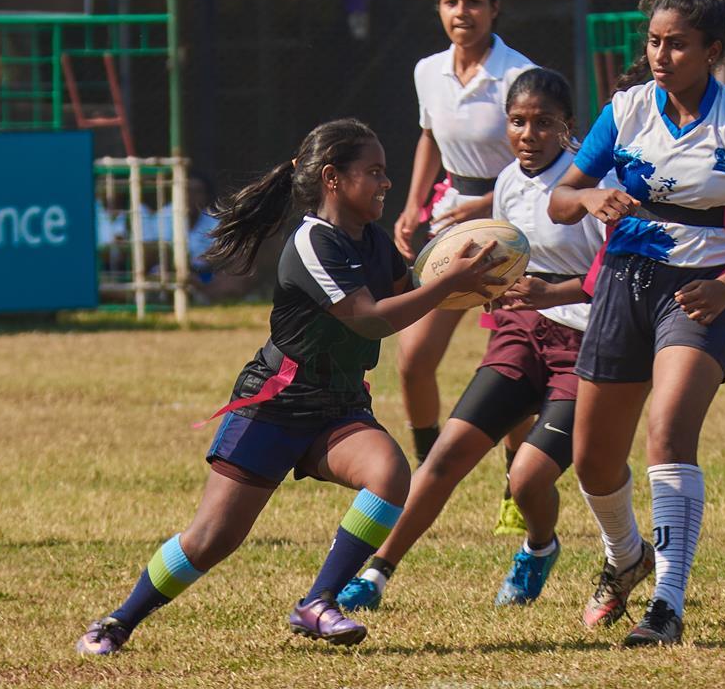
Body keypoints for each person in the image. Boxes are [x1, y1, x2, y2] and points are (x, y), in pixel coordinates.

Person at [74, 119, 501, 656]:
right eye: (373, 172)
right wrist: (446, 285)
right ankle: (117, 622)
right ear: (332, 178)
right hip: (276, 405)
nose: (385, 183)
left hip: (339, 404)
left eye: (385, 173)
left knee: (390, 474)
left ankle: (318, 601)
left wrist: (476, 282)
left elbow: (406, 294)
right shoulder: (310, 244)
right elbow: (368, 319)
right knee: (213, 540)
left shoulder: (372, 239)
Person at [549, 0, 725, 646]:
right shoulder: (629, 108)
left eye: (679, 45)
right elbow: (561, 197)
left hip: (700, 290)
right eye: (656, 42)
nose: (662, 56)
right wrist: (588, 199)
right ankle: (624, 556)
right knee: (592, 461)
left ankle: (667, 602)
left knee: (667, 431)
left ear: (712, 50)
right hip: (624, 282)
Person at [338, 68, 609, 612]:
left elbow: (614, 271)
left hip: (582, 347)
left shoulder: (591, 187)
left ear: (568, 127)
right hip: (518, 337)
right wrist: (486, 288)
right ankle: (375, 575)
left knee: (529, 480)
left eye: (542, 123)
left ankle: (538, 548)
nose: (528, 134)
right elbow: (508, 260)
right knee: (444, 457)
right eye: (517, 121)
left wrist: (553, 293)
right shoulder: (507, 182)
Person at [392, 0, 537, 533]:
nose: (462, 12)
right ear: (439, 8)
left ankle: (513, 489)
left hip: (510, 228)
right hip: (450, 225)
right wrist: (412, 203)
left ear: (494, 7)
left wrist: (486, 207)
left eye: (473, 1)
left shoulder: (518, 75)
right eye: (452, 1)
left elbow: (545, 158)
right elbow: (429, 135)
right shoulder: (429, 70)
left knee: (515, 368)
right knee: (412, 358)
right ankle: (428, 469)